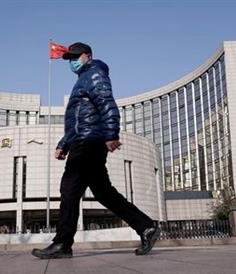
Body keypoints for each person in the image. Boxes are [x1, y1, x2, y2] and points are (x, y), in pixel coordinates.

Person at [31, 42, 160, 259]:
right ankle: (146, 227)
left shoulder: (94, 73)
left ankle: (62, 243)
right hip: (84, 140)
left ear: (87, 56)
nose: (72, 61)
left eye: (75, 56)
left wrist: (111, 134)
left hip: (89, 143)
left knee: (69, 189)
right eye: (69, 58)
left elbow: (107, 104)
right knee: (104, 193)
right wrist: (64, 143)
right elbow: (80, 120)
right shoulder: (84, 78)